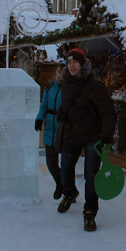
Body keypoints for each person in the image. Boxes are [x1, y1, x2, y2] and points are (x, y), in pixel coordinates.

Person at [56, 48, 116, 232]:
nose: (72, 65)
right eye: (69, 62)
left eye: (75, 62)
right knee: (65, 170)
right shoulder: (66, 82)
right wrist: (63, 113)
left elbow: (108, 111)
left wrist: (106, 135)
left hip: (92, 136)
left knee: (91, 177)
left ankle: (90, 212)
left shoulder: (94, 85)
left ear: (82, 64)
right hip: (72, 134)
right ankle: (69, 192)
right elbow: (67, 104)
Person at [35, 65, 63, 199]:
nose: (59, 75)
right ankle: (60, 183)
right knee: (51, 163)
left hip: (64, 128)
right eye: (58, 72)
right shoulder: (50, 86)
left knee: (67, 164)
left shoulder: (71, 88)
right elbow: (44, 105)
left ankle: (69, 189)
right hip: (50, 127)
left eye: (62, 72)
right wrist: (39, 119)